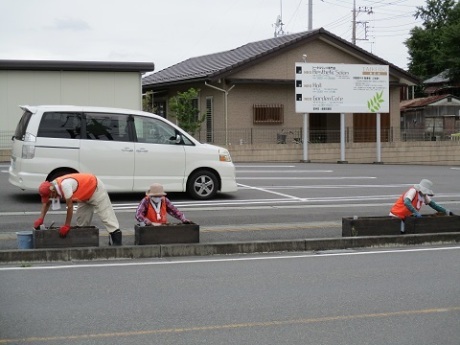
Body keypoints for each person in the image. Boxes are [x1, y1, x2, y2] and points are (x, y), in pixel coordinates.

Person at [34, 173, 122, 245]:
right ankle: (84, 242)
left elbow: (69, 206)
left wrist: (67, 225)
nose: (50, 198)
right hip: (84, 195)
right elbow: (47, 203)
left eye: (50, 196)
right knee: (81, 221)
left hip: (94, 188)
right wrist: (41, 219)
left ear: (52, 191)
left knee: (106, 215)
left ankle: (117, 239)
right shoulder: (52, 186)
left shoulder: (65, 185)